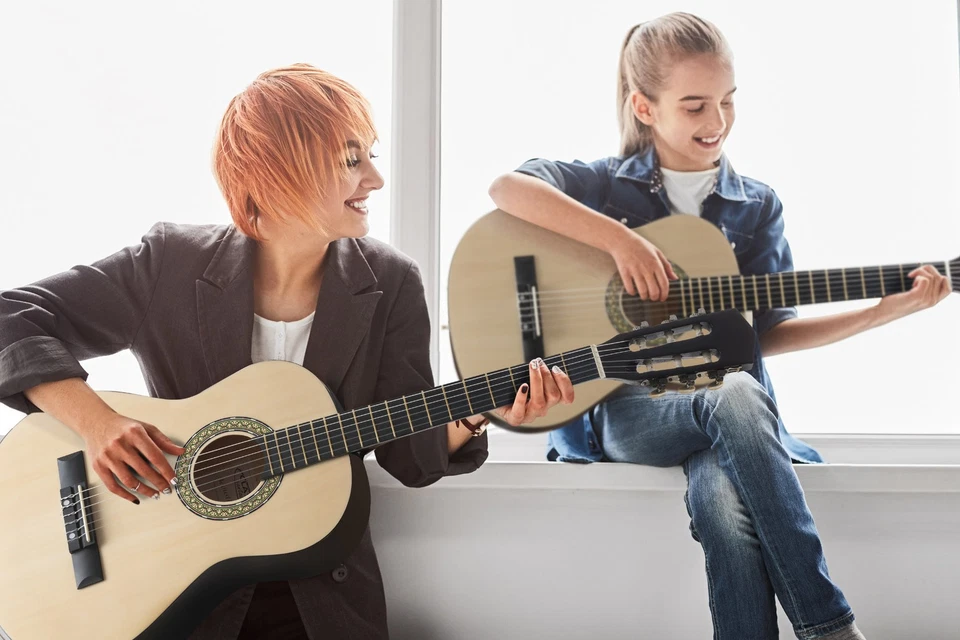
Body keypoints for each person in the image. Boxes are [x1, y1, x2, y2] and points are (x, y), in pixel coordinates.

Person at [0, 63, 574, 639]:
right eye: (352, 160)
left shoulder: (391, 281)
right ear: (279, 170)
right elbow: (11, 318)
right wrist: (98, 424)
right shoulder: (169, 263)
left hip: (322, 601)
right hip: (173, 594)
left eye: (371, 156)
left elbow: (408, 452)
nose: (375, 178)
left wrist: (482, 410)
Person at [488, 13, 948, 640]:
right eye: (696, 104)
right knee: (734, 393)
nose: (718, 122)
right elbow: (506, 188)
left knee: (723, 498)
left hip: (727, 410)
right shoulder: (602, 185)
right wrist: (620, 242)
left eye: (728, 101)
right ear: (644, 108)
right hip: (629, 410)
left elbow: (768, 334)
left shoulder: (756, 206)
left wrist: (883, 311)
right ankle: (830, 626)